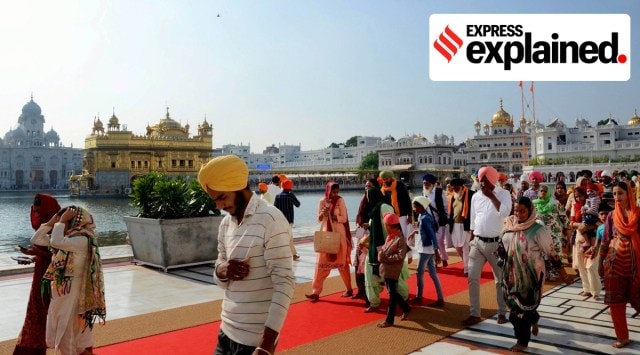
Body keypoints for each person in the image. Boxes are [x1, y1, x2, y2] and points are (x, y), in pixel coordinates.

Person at [197, 155, 295, 355]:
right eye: (215, 200)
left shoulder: (271, 219)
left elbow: (284, 283)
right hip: (225, 331)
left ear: (238, 187)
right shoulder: (226, 224)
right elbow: (220, 275)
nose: (219, 206)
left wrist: (266, 346)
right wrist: (222, 270)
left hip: (254, 340)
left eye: (222, 197)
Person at [499, 197, 572, 352]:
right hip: (512, 276)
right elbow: (502, 247)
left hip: (531, 278)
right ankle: (534, 318)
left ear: (530, 210)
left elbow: (552, 254)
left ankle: (522, 342)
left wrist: (564, 275)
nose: (519, 214)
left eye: (523, 211)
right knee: (518, 307)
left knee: (516, 315)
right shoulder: (509, 224)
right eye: (516, 210)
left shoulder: (538, 229)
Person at [41, 206, 106, 355]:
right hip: (63, 291)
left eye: (68, 221)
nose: (65, 223)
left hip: (73, 291)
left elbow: (56, 242)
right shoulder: (70, 239)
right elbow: (37, 239)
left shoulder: (82, 239)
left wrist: (60, 222)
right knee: (67, 333)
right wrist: (51, 223)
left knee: (67, 332)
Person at [463, 166, 512, 326]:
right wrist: (471, 241)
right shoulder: (475, 196)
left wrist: (491, 196)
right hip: (477, 242)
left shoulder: (504, 194)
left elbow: (505, 213)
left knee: (499, 280)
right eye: (480, 180)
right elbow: (473, 220)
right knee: (472, 278)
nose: (481, 183)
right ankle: (475, 313)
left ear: (492, 180)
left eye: (485, 180)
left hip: (496, 244)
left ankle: (502, 312)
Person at [13, 193, 60, 355]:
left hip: (53, 280)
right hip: (40, 276)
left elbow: (61, 257)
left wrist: (39, 253)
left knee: (45, 312)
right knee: (37, 312)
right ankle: (33, 347)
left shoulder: (61, 229)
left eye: (40, 212)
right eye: (36, 212)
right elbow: (45, 251)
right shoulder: (49, 228)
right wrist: (34, 256)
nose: (38, 215)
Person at [599, 181, 640, 349]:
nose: (617, 197)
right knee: (616, 304)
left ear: (629, 194)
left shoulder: (638, 214)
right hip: (614, 264)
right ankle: (622, 337)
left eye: (620, 194)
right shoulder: (611, 216)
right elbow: (605, 239)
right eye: (614, 194)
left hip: (636, 265)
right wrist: (599, 263)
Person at [361, 187, 410, 312]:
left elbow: (393, 227)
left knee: (392, 275)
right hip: (375, 250)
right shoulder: (374, 211)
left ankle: (403, 298)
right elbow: (376, 229)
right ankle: (374, 302)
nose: (367, 198)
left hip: (389, 248)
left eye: (367, 195)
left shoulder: (384, 208)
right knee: (370, 273)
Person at [305, 181, 353, 301]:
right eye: (333, 192)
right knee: (321, 264)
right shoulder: (322, 201)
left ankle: (349, 288)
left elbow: (344, 218)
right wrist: (323, 213)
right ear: (328, 191)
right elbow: (319, 219)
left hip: (339, 235)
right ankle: (315, 292)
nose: (335, 194)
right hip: (327, 235)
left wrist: (332, 216)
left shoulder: (340, 201)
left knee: (342, 264)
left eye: (337, 192)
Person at [376, 212, 412, 328]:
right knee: (393, 293)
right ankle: (406, 308)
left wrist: (385, 258)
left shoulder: (400, 239)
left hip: (393, 270)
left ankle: (389, 320)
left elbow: (400, 256)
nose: (385, 227)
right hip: (387, 270)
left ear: (392, 226)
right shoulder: (390, 236)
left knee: (392, 296)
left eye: (386, 225)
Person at [407, 196, 445, 307]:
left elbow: (432, 235)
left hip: (425, 250)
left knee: (419, 273)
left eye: (415, 206)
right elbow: (426, 232)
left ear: (421, 206)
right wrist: (415, 232)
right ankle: (440, 298)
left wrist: (437, 252)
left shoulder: (424, 218)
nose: (413, 209)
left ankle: (419, 297)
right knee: (433, 274)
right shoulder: (424, 216)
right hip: (427, 249)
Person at [532, 185, 569, 282]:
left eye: (545, 191)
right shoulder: (534, 204)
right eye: (541, 191)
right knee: (542, 253)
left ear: (548, 192)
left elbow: (563, 216)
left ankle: (556, 272)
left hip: (554, 232)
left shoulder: (555, 203)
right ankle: (546, 273)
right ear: (538, 192)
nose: (543, 193)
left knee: (555, 252)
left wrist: (567, 228)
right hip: (539, 233)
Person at [447, 178, 474, 276]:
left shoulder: (471, 194)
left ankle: (467, 269)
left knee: (465, 247)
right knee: (457, 247)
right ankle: (469, 263)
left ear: (461, 186)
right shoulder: (453, 196)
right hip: (455, 225)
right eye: (452, 187)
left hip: (466, 225)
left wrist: (473, 228)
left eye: (455, 187)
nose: (453, 188)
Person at [422, 174, 449, 267]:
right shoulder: (424, 193)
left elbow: (446, 207)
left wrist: (446, 219)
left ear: (432, 183)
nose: (425, 185)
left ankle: (444, 257)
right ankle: (434, 262)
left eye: (427, 183)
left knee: (438, 241)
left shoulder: (440, 192)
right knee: (431, 241)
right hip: (429, 221)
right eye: (424, 183)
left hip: (439, 220)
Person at [379, 171, 413, 243]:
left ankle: (404, 251)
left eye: (387, 179)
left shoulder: (399, 185)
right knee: (392, 236)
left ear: (391, 178)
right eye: (384, 179)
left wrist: (409, 215)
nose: (385, 181)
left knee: (403, 235)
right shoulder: (382, 188)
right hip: (390, 216)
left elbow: (407, 200)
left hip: (401, 215)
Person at [274, 179, 301, 261]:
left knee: (282, 237)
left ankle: (286, 254)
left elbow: (275, 208)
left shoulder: (277, 196)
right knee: (289, 237)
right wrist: (292, 194)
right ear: (290, 187)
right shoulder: (290, 196)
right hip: (289, 221)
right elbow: (298, 204)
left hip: (280, 220)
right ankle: (293, 255)